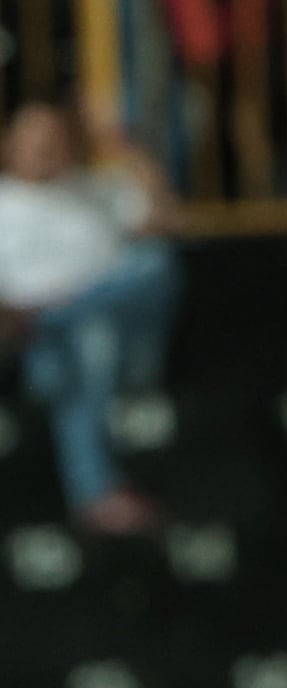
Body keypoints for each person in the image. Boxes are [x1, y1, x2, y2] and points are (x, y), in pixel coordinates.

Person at [0, 101, 181, 532]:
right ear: (10, 146)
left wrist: (131, 152)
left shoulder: (96, 190)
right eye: (35, 139)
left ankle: (61, 314)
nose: (46, 147)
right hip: (38, 347)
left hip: (127, 338)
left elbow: (172, 223)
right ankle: (95, 495)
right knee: (89, 339)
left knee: (154, 263)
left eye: (55, 138)